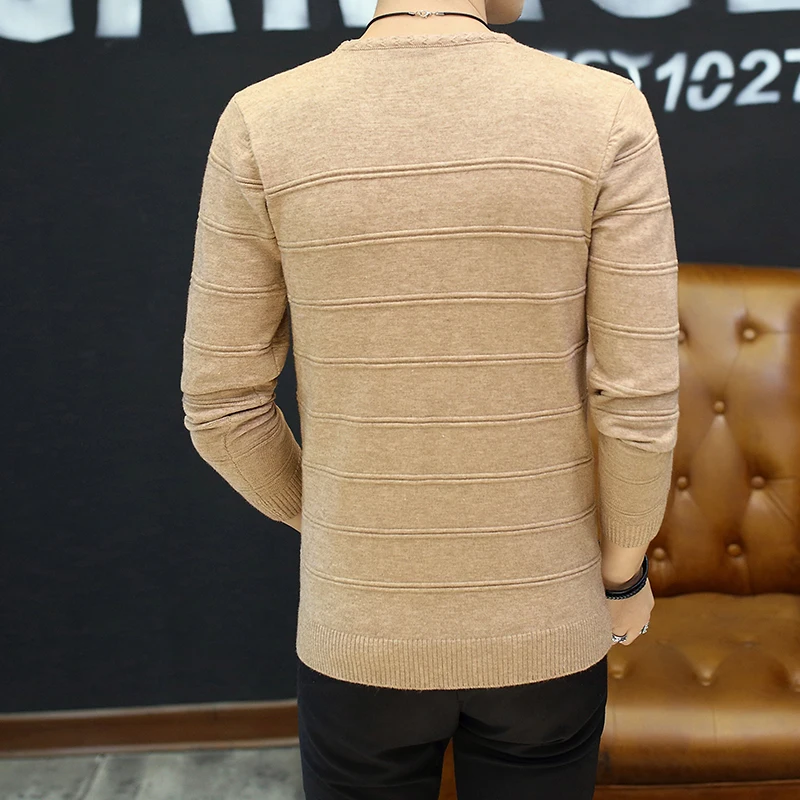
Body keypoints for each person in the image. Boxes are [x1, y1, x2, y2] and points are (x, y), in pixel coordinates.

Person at [179, 0, 679, 797]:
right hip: (548, 617)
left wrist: (351, 530)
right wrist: (621, 576)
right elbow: (638, 400)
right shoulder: (604, 112)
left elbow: (222, 406)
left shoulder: (261, 122)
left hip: (360, 628)